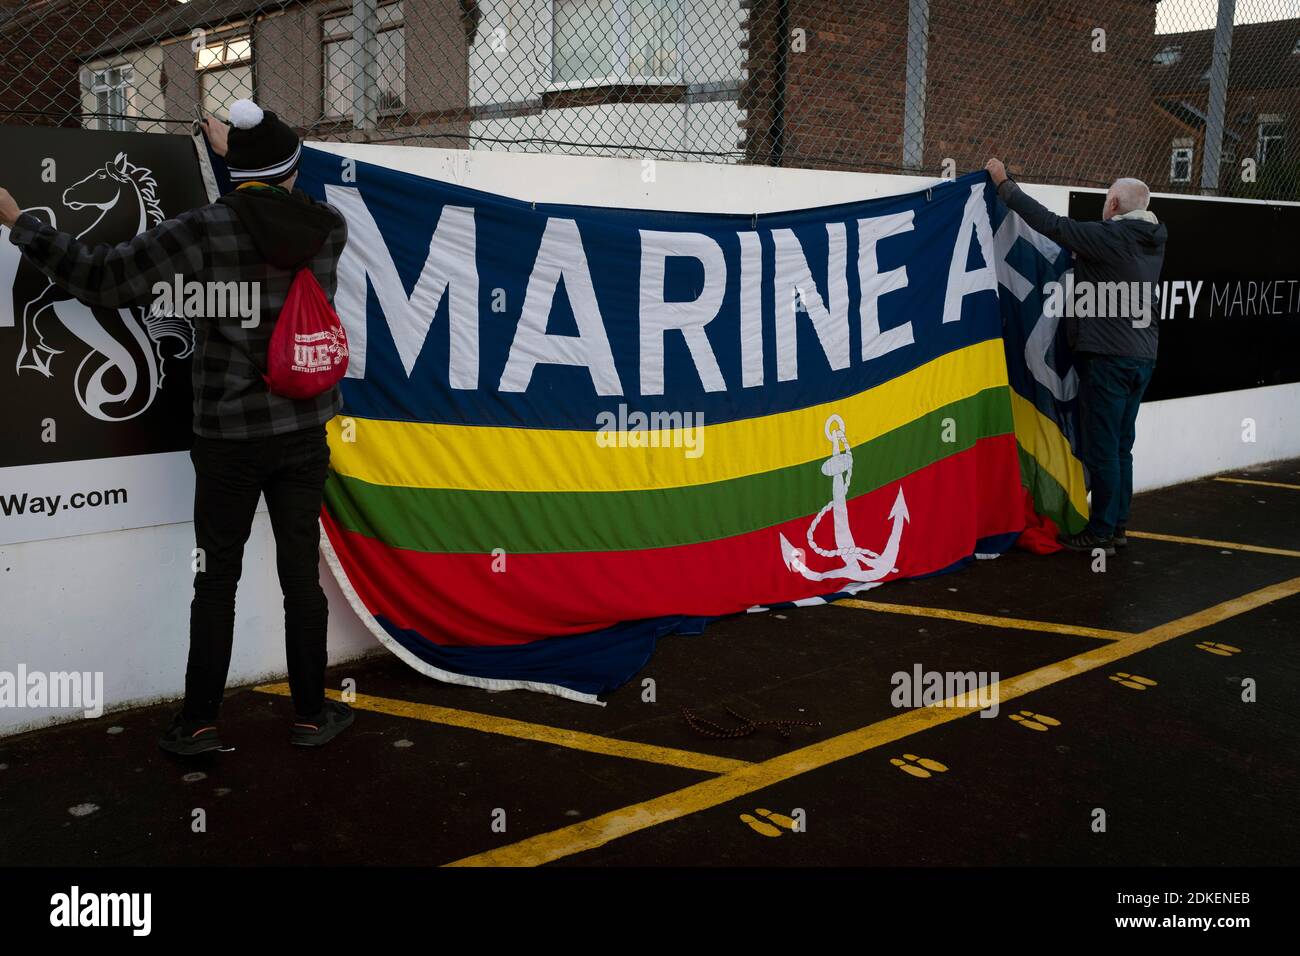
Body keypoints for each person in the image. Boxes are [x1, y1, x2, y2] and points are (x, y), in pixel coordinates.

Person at [0, 99, 355, 754]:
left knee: (216, 577)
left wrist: (21, 223)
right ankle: (312, 715)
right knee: (300, 574)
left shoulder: (201, 231)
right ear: (292, 170)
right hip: (304, 430)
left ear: (240, 173)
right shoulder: (327, 227)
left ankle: (197, 724)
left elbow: (103, 280)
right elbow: (267, 210)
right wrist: (238, 159)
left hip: (228, 439)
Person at [985, 158, 1167, 557]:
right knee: (1121, 446)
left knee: (1103, 449)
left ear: (1115, 205)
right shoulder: (1153, 238)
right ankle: (1116, 525)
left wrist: (1005, 186)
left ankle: (1101, 533)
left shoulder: (1112, 238)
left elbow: (1053, 225)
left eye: (1107, 201)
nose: (1104, 207)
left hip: (1108, 357)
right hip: (1142, 356)